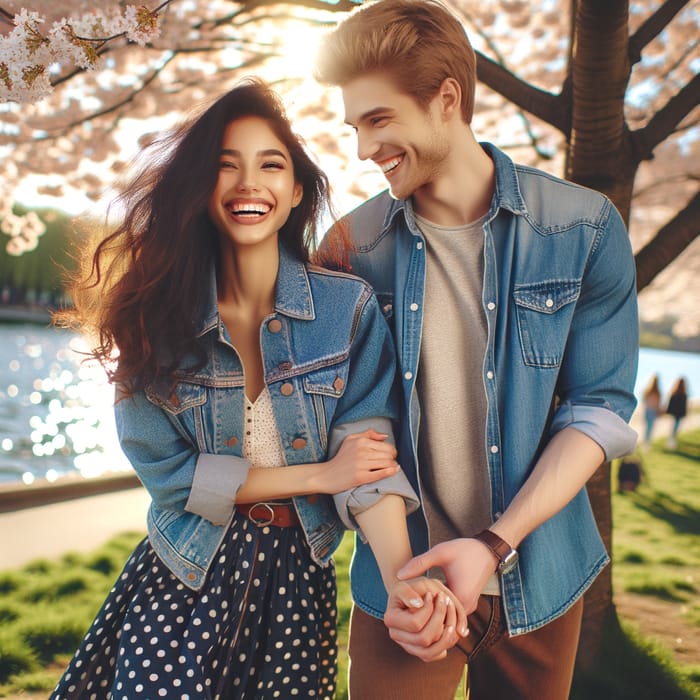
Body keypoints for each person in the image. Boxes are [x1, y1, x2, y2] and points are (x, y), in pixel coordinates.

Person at [50, 77, 462, 699]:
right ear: (200, 189)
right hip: (182, 574)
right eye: (226, 166)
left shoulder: (345, 311)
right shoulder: (153, 319)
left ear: (295, 190)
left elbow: (368, 462)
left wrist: (402, 577)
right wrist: (319, 476)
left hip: (297, 585)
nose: (249, 183)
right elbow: (174, 478)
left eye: (270, 164)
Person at [314, 1, 639, 698]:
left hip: (543, 575)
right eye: (355, 126)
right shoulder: (349, 250)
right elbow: (354, 424)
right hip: (402, 588)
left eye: (378, 120)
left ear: (446, 101)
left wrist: (495, 543)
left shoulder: (584, 228)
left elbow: (598, 409)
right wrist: (409, 581)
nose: (363, 149)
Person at [666, 377, 688, 449]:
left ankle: (671, 441)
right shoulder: (683, 394)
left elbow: (671, 404)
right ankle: (671, 441)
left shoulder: (676, 393)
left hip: (675, 413)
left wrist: (669, 411)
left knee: (674, 427)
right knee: (675, 427)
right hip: (678, 414)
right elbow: (683, 406)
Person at [642, 373, 662, 448]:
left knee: (647, 427)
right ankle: (647, 442)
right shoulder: (657, 392)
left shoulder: (648, 390)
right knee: (650, 427)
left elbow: (644, 400)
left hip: (648, 411)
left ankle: (646, 442)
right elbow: (658, 404)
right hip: (652, 411)